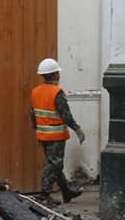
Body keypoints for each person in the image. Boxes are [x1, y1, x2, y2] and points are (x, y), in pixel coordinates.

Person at [30, 58, 85, 202]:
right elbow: (65, 114)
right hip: (56, 135)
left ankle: (67, 192)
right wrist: (77, 129)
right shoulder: (57, 92)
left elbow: (33, 113)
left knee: (55, 163)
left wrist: (36, 129)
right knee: (55, 164)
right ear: (55, 74)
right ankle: (44, 193)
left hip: (43, 134)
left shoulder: (35, 92)